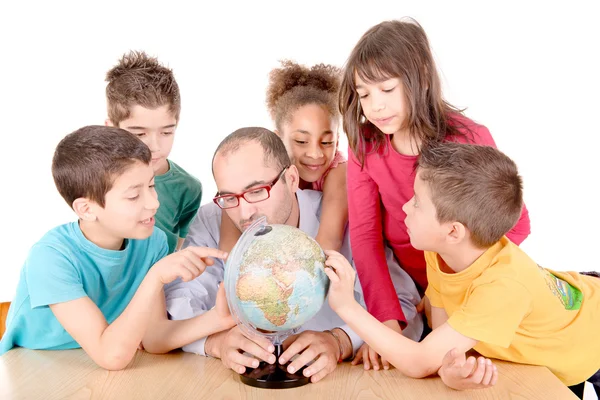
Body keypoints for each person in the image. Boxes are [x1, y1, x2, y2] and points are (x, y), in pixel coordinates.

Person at [324, 142, 600, 394]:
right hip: (569, 323)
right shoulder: (440, 253)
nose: (406, 207)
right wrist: (449, 370)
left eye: (417, 202)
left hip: (590, 337)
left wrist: (347, 306)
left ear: (453, 231)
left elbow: (418, 362)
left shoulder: (503, 287)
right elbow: (442, 347)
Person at [338, 18, 531, 368]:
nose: (374, 106)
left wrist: (442, 292)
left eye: (386, 89)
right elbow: (365, 235)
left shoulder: (468, 139)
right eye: (363, 95)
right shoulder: (364, 145)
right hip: (405, 285)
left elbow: (515, 227)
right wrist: (388, 322)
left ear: (422, 77)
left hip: (470, 289)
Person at [165, 127, 423, 383]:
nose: (244, 213)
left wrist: (341, 340)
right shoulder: (210, 221)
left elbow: (404, 305)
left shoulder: (346, 220)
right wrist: (215, 343)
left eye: (257, 191)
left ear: (291, 179)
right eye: (230, 197)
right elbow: (177, 307)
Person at [0, 126, 234, 370]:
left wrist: (217, 318)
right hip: (29, 368)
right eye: (134, 196)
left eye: (152, 186)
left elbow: (155, 338)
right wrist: (155, 277)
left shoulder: (152, 242)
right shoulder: (50, 257)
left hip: (93, 365)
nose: (154, 203)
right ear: (87, 209)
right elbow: (111, 356)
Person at [219, 60, 347, 254]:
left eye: (327, 142)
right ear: (278, 138)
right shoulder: (260, 166)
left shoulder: (338, 172)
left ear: (337, 140)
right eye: (302, 141)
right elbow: (228, 249)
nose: (315, 153)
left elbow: (329, 240)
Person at [105, 50, 202, 254]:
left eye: (167, 132)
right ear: (111, 129)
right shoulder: (96, 179)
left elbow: (179, 250)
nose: (155, 147)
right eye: (139, 134)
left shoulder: (187, 188)